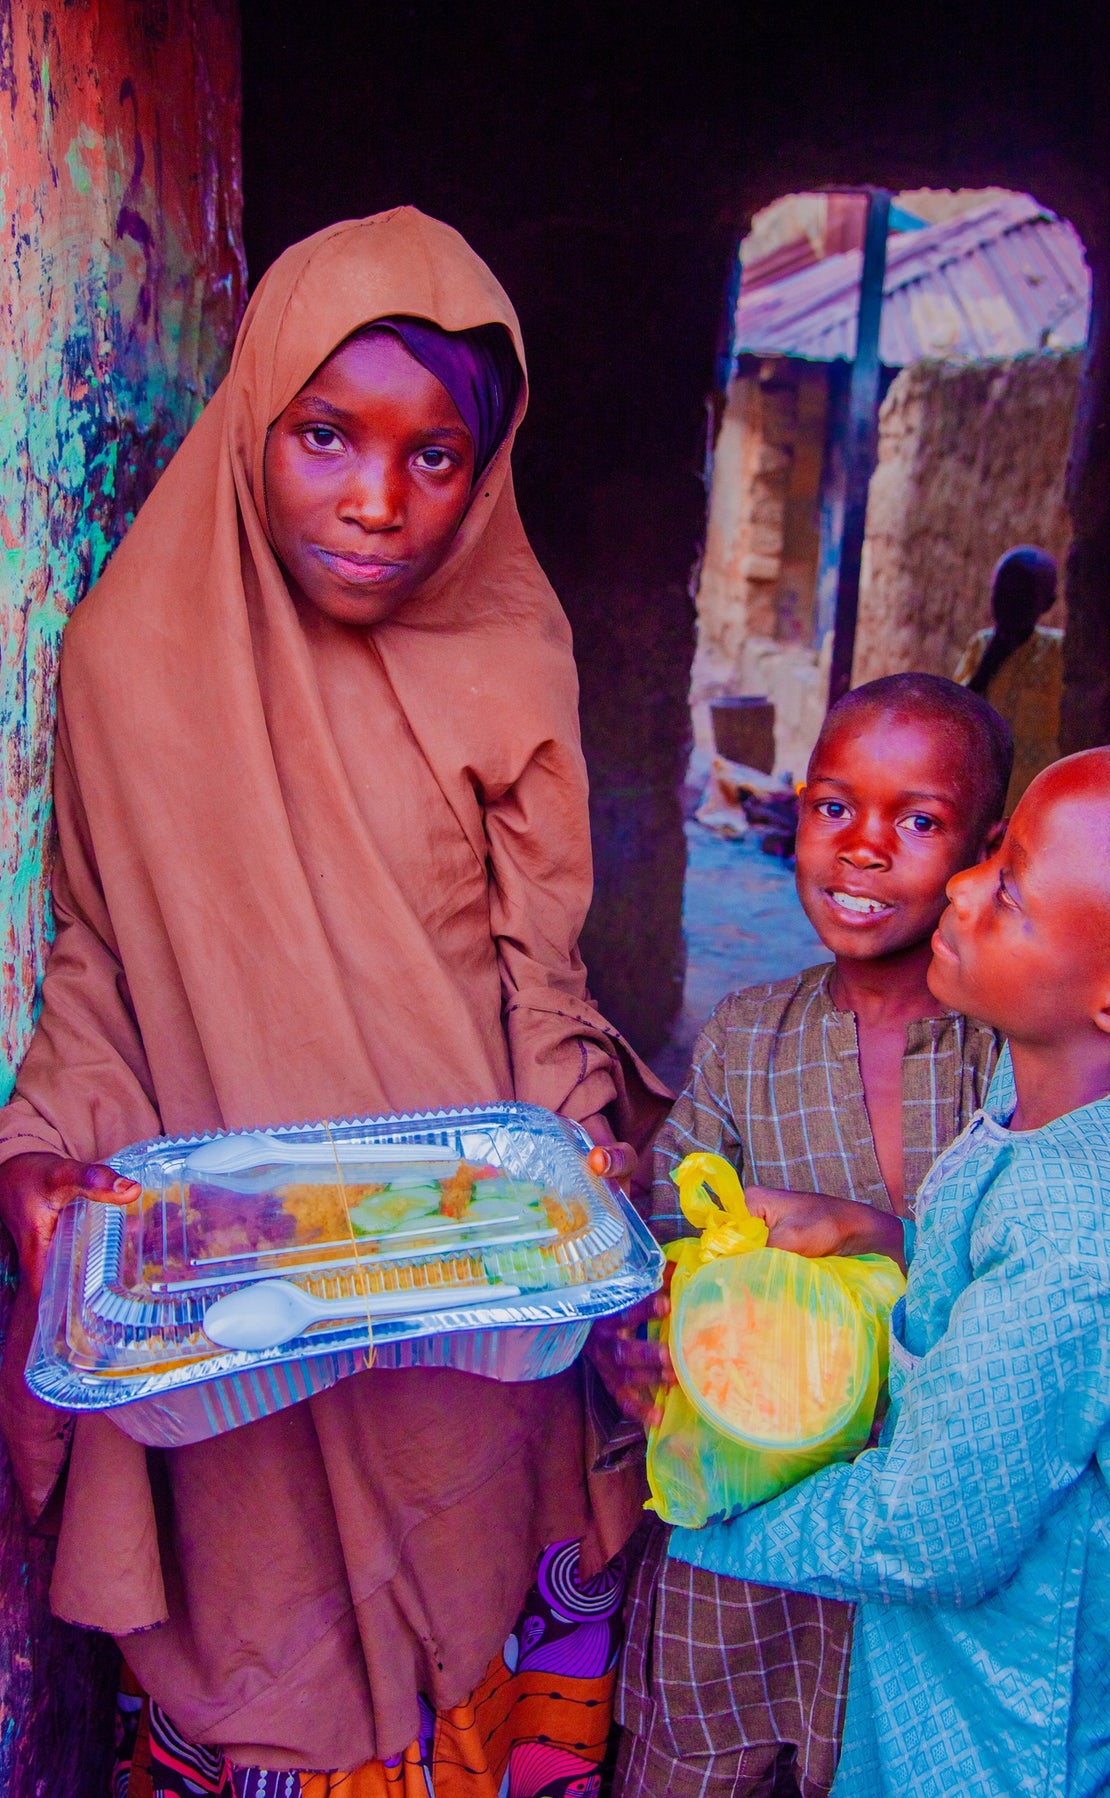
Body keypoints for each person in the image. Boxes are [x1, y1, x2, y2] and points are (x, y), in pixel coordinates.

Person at [0, 208, 667, 1798]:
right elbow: (102, 948)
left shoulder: (511, 654)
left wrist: (588, 1169)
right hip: (239, 1296)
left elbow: (541, 970)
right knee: (267, 1639)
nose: (379, 503)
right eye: (325, 437)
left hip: (471, 1286)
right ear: (254, 424)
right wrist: (42, 1150)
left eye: (437, 458)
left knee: (492, 1598)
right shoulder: (126, 660)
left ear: (486, 469)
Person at [670, 743, 1110, 1798]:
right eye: (989, 854)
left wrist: (696, 1519)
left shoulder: (1084, 1229)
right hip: (938, 1685)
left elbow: (928, 1534)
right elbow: (996, 1309)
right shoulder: (1055, 1095)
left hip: (995, 1735)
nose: (959, 885)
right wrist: (880, 1236)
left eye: (1009, 892)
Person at [595, 673, 1012, 1798]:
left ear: (987, 848)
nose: (864, 849)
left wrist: (878, 1234)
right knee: (693, 1752)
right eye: (834, 807)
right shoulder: (747, 1036)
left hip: (907, 1525)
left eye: (918, 822)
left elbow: (1023, 1265)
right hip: (742, 1491)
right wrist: (645, 1320)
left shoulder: (1005, 1060)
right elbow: (674, 1213)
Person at [954, 543, 1063, 810]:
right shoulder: (981, 647)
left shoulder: (1060, 652)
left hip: (1036, 802)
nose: (1009, 603)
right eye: (1002, 592)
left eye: (1023, 596)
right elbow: (956, 713)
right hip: (984, 799)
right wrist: (990, 663)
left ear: (1047, 603)